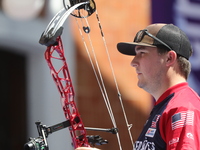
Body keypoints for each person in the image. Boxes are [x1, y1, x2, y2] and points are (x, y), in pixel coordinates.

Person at [75, 23, 200, 150]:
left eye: (142, 52)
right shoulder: (168, 106)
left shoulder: (183, 108)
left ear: (169, 58)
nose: (133, 62)